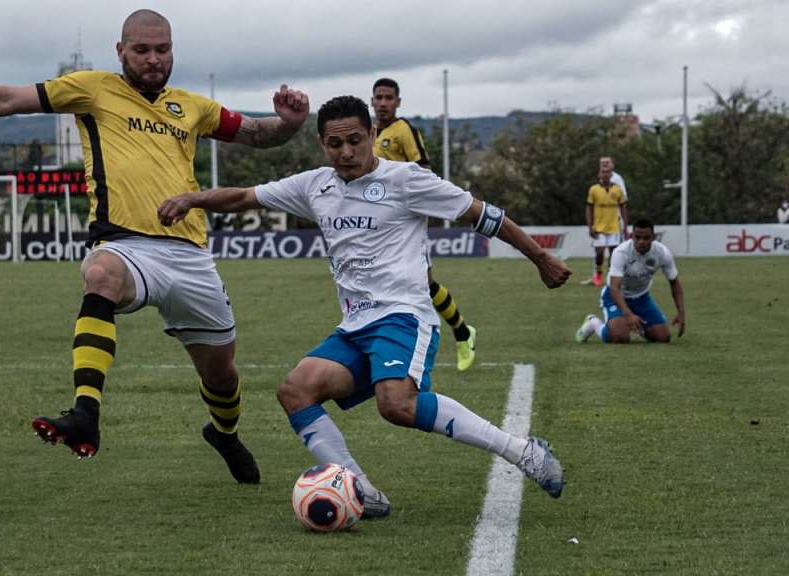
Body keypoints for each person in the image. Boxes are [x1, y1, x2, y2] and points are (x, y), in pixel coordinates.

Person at [0, 9, 309, 482]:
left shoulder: (192, 106)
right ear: (120, 50)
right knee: (100, 274)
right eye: (141, 50)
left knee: (221, 374)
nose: (152, 59)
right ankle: (86, 412)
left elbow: (255, 133)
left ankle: (224, 434)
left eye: (161, 50)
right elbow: (4, 99)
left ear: (173, 51)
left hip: (189, 254)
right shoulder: (93, 89)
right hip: (124, 244)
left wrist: (288, 123)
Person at [159, 95, 571, 517]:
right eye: (335, 144)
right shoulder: (315, 185)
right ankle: (359, 490)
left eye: (355, 140)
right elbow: (244, 197)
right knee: (295, 391)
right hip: (356, 325)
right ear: (322, 144)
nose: (346, 152)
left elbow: (485, 216)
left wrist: (540, 257)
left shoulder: (407, 180)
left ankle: (523, 452)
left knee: (396, 405)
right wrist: (193, 199)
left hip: (403, 316)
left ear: (373, 135)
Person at [371, 77, 476, 372]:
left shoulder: (403, 130)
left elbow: (424, 172)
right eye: (378, 97)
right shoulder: (369, 134)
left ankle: (461, 331)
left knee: (424, 283)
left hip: (405, 223)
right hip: (377, 225)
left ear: (398, 102)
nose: (382, 103)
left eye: (388, 98)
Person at [576, 218, 685, 344]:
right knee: (619, 337)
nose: (641, 242)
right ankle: (593, 323)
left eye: (646, 238)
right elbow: (614, 288)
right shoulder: (621, 252)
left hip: (641, 298)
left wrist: (681, 312)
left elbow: (674, 283)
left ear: (653, 237)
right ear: (631, 236)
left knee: (663, 337)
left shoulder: (662, 253)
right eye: (637, 237)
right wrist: (628, 314)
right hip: (615, 297)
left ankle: (639, 327)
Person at [584, 162, 628, 287]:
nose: (605, 174)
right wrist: (590, 226)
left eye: (608, 172)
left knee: (614, 254)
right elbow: (589, 208)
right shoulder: (594, 189)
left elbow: (623, 207)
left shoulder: (617, 189)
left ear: (611, 175)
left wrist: (625, 226)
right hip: (599, 227)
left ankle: (610, 276)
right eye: (603, 172)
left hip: (614, 227)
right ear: (599, 174)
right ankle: (598, 274)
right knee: (599, 251)